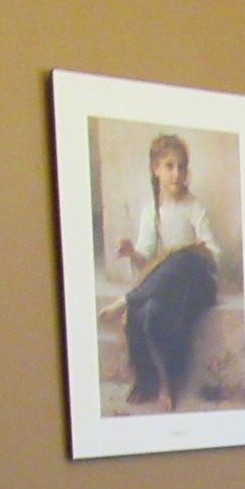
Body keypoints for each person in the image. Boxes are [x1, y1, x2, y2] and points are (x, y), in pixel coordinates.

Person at [99, 133, 222, 409]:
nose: (176, 174)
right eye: (169, 166)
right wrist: (132, 252)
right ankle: (160, 383)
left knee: (180, 258)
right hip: (166, 287)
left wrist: (193, 251)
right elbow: (148, 264)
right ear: (156, 169)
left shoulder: (194, 207)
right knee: (150, 310)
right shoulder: (151, 212)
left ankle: (126, 300)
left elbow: (213, 254)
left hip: (195, 283)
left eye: (181, 167)